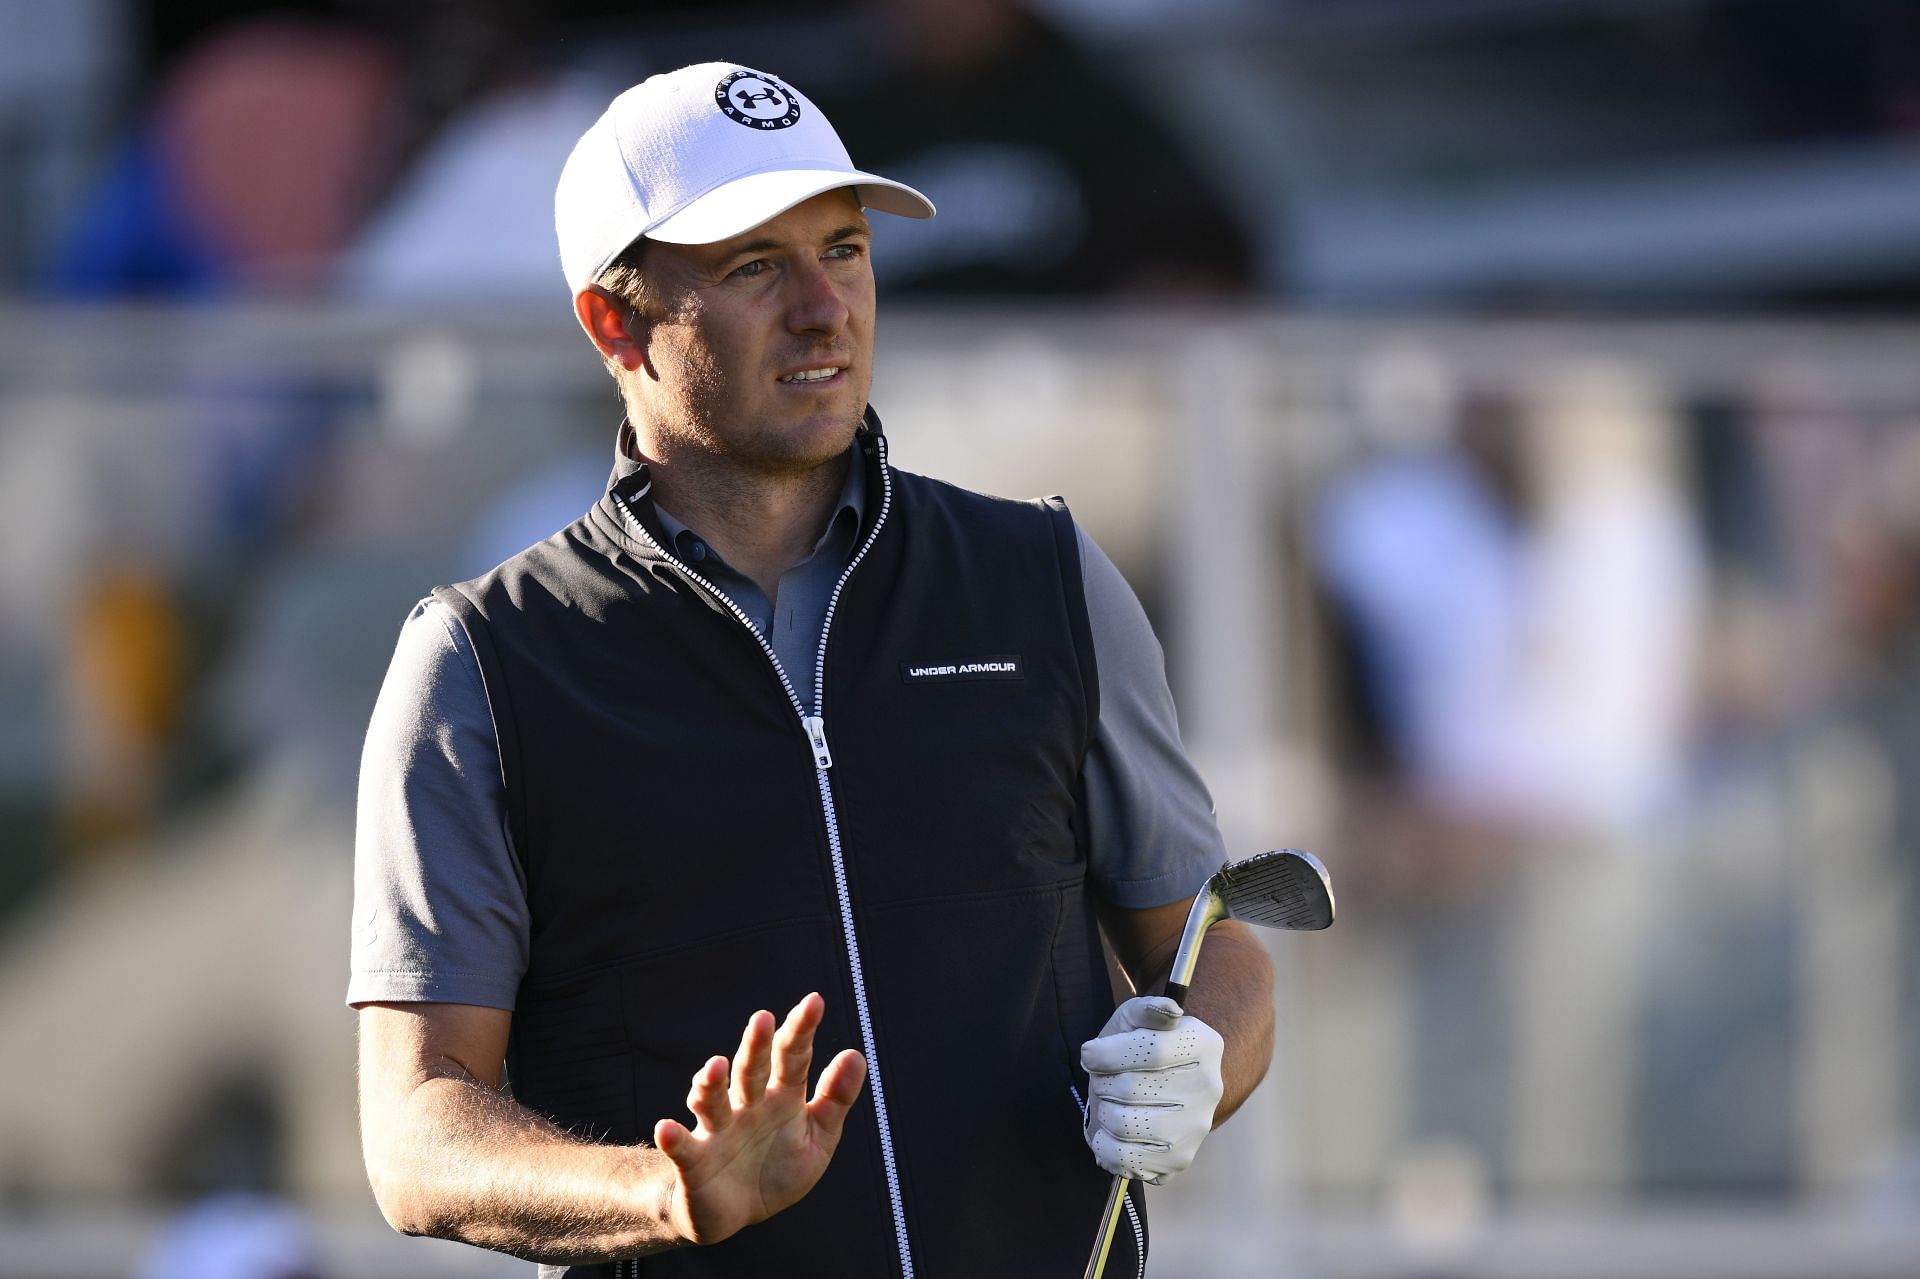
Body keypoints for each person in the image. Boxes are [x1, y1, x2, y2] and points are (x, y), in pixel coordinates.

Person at [349, 62, 1275, 1278]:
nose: (823, 307)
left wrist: (1200, 1058)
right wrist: (664, 1193)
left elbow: (1213, 949)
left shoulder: (1044, 576)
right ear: (614, 323)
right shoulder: (481, 660)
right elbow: (416, 1132)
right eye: (752, 267)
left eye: (843, 249)